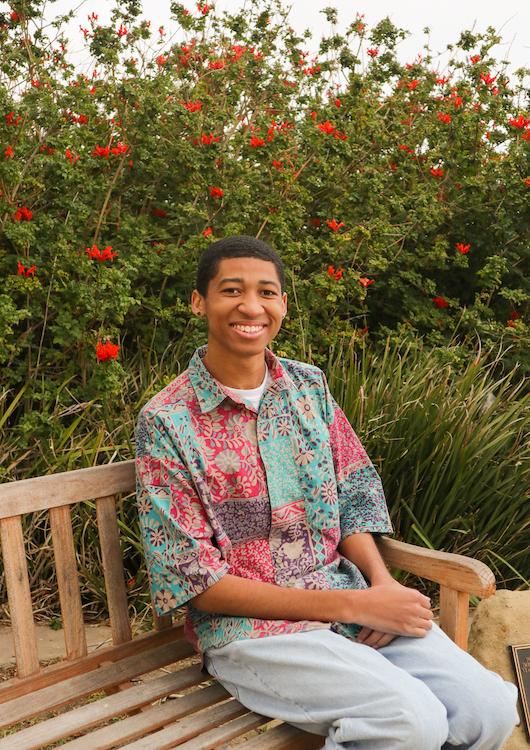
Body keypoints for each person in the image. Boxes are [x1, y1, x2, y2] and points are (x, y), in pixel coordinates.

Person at [135, 235, 519, 750]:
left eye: (267, 292)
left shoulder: (307, 387)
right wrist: (351, 606)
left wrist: (379, 587)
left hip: (347, 598)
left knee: (488, 709)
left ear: (283, 305)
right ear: (199, 301)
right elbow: (195, 581)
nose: (251, 306)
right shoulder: (167, 420)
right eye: (231, 290)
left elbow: (354, 494)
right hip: (249, 631)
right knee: (409, 721)